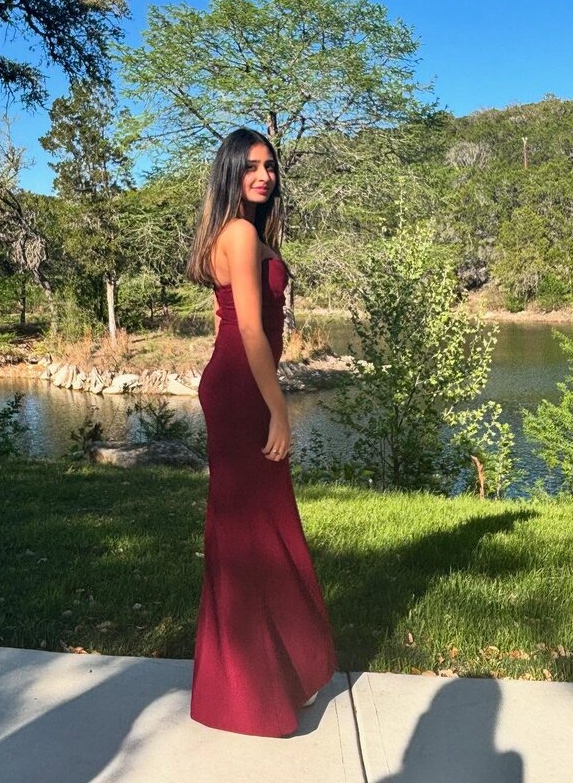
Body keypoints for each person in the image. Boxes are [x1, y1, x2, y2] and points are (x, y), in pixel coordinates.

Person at [185, 127, 338, 738]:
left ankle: (275, 673)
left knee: (257, 527)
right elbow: (249, 331)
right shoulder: (241, 235)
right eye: (251, 166)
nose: (264, 175)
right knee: (252, 529)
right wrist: (280, 409)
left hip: (238, 384)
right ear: (230, 171)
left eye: (270, 166)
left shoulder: (238, 233)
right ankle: (254, 690)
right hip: (242, 390)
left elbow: (237, 324)